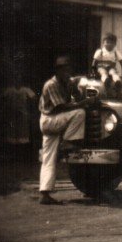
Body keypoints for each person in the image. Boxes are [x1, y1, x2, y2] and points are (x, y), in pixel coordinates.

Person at [38, 56, 94, 205]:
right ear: (57, 70)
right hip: (50, 119)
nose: (67, 71)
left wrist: (79, 89)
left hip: (56, 120)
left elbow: (76, 96)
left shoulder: (68, 81)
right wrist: (84, 103)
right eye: (63, 69)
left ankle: (44, 193)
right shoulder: (51, 84)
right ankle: (69, 142)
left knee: (48, 158)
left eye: (68, 68)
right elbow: (61, 107)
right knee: (80, 113)